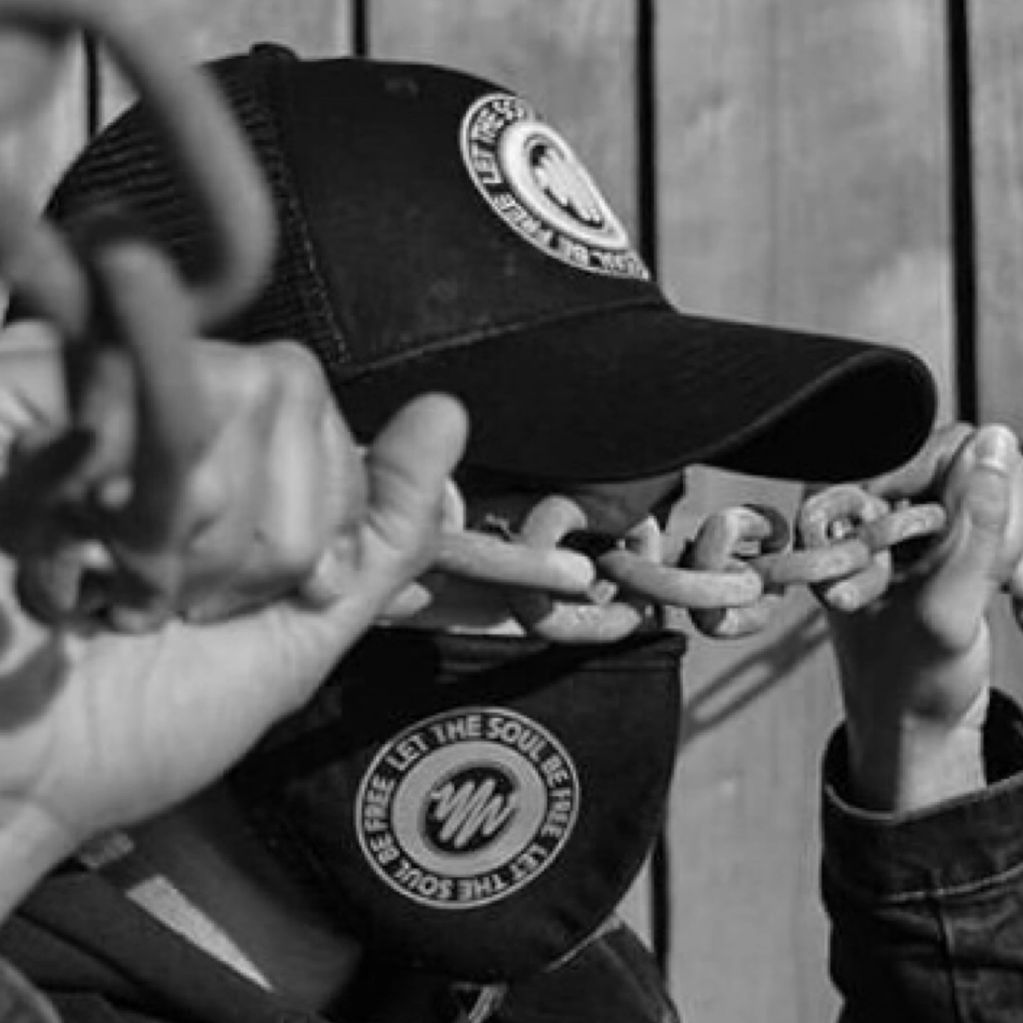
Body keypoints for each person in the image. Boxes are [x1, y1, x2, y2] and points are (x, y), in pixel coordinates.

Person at [0, 40, 1021, 1023]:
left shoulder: (570, 994)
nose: (622, 594)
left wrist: (919, 745)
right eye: (518, 512)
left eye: (654, 519)